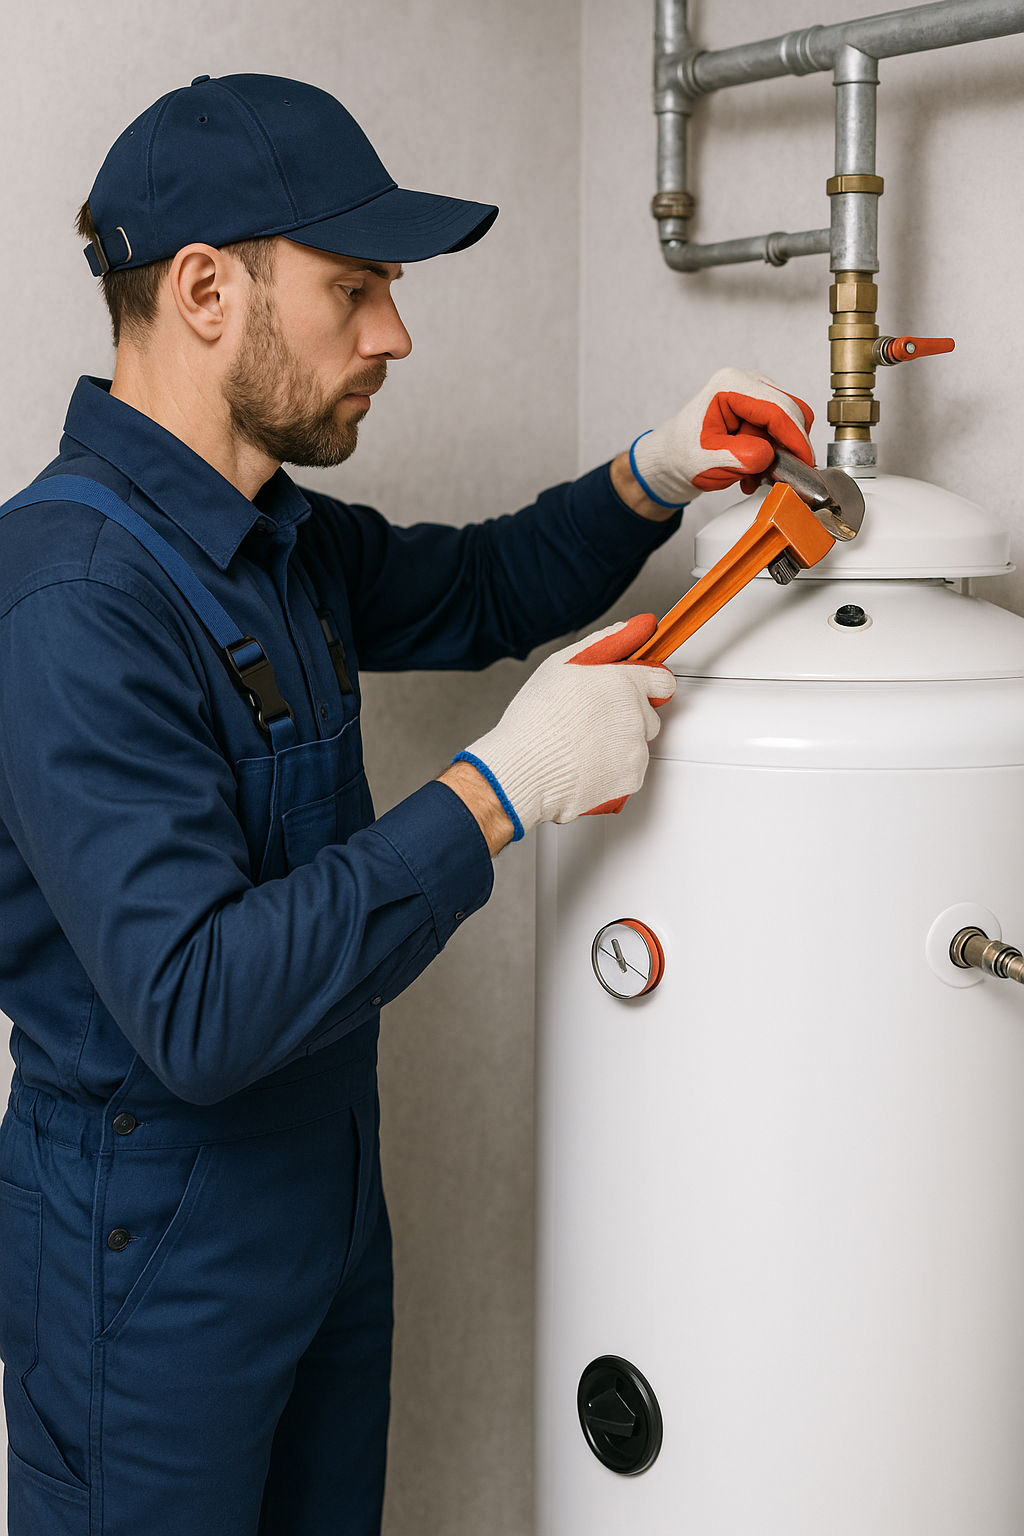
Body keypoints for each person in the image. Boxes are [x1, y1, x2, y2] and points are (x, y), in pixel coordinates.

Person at [0, 73, 814, 1536]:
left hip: (322, 1206)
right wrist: (500, 792)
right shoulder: (73, 599)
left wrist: (654, 467)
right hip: (146, 1251)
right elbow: (197, 1005)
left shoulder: (277, 537)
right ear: (203, 290)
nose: (395, 332)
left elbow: (483, 585)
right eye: (354, 287)